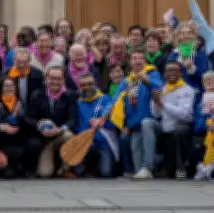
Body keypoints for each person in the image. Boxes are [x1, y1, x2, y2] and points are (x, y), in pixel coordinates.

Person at [116, 49, 162, 179]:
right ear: (130, 62)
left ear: (144, 61)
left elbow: (158, 89)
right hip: (134, 125)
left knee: (146, 122)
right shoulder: (126, 82)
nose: (137, 61)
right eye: (134, 58)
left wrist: (147, 81)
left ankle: (148, 166)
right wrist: (125, 124)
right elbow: (118, 102)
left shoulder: (152, 74)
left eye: (140, 58)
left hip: (152, 123)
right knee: (137, 169)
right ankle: (157, 162)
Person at [25, 66, 78, 178]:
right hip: (44, 139)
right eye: (52, 78)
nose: (55, 81)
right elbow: (29, 118)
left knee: (69, 135)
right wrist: (38, 125)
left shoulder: (70, 95)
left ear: (63, 80)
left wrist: (60, 129)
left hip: (61, 135)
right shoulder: (37, 95)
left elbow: (72, 119)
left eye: (58, 78)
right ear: (46, 80)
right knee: (45, 174)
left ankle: (65, 168)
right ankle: (53, 161)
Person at [151, 62, 196, 179]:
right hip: (166, 130)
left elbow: (184, 114)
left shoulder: (187, 90)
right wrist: (155, 102)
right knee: (169, 173)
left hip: (182, 128)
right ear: (164, 74)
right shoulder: (162, 89)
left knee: (180, 130)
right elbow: (156, 114)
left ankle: (182, 167)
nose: (172, 73)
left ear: (180, 73)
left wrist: (163, 104)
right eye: (168, 71)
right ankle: (153, 166)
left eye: (175, 70)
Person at [74, 72, 117, 178]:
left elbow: (115, 123)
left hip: (103, 143)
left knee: (106, 173)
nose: (87, 87)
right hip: (85, 143)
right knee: (79, 172)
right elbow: (75, 124)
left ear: (95, 84)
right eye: (83, 85)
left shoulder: (106, 99)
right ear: (79, 86)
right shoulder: (78, 102)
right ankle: (88, 167)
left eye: (90, 84)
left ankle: (97, 168)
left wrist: (103, 122)